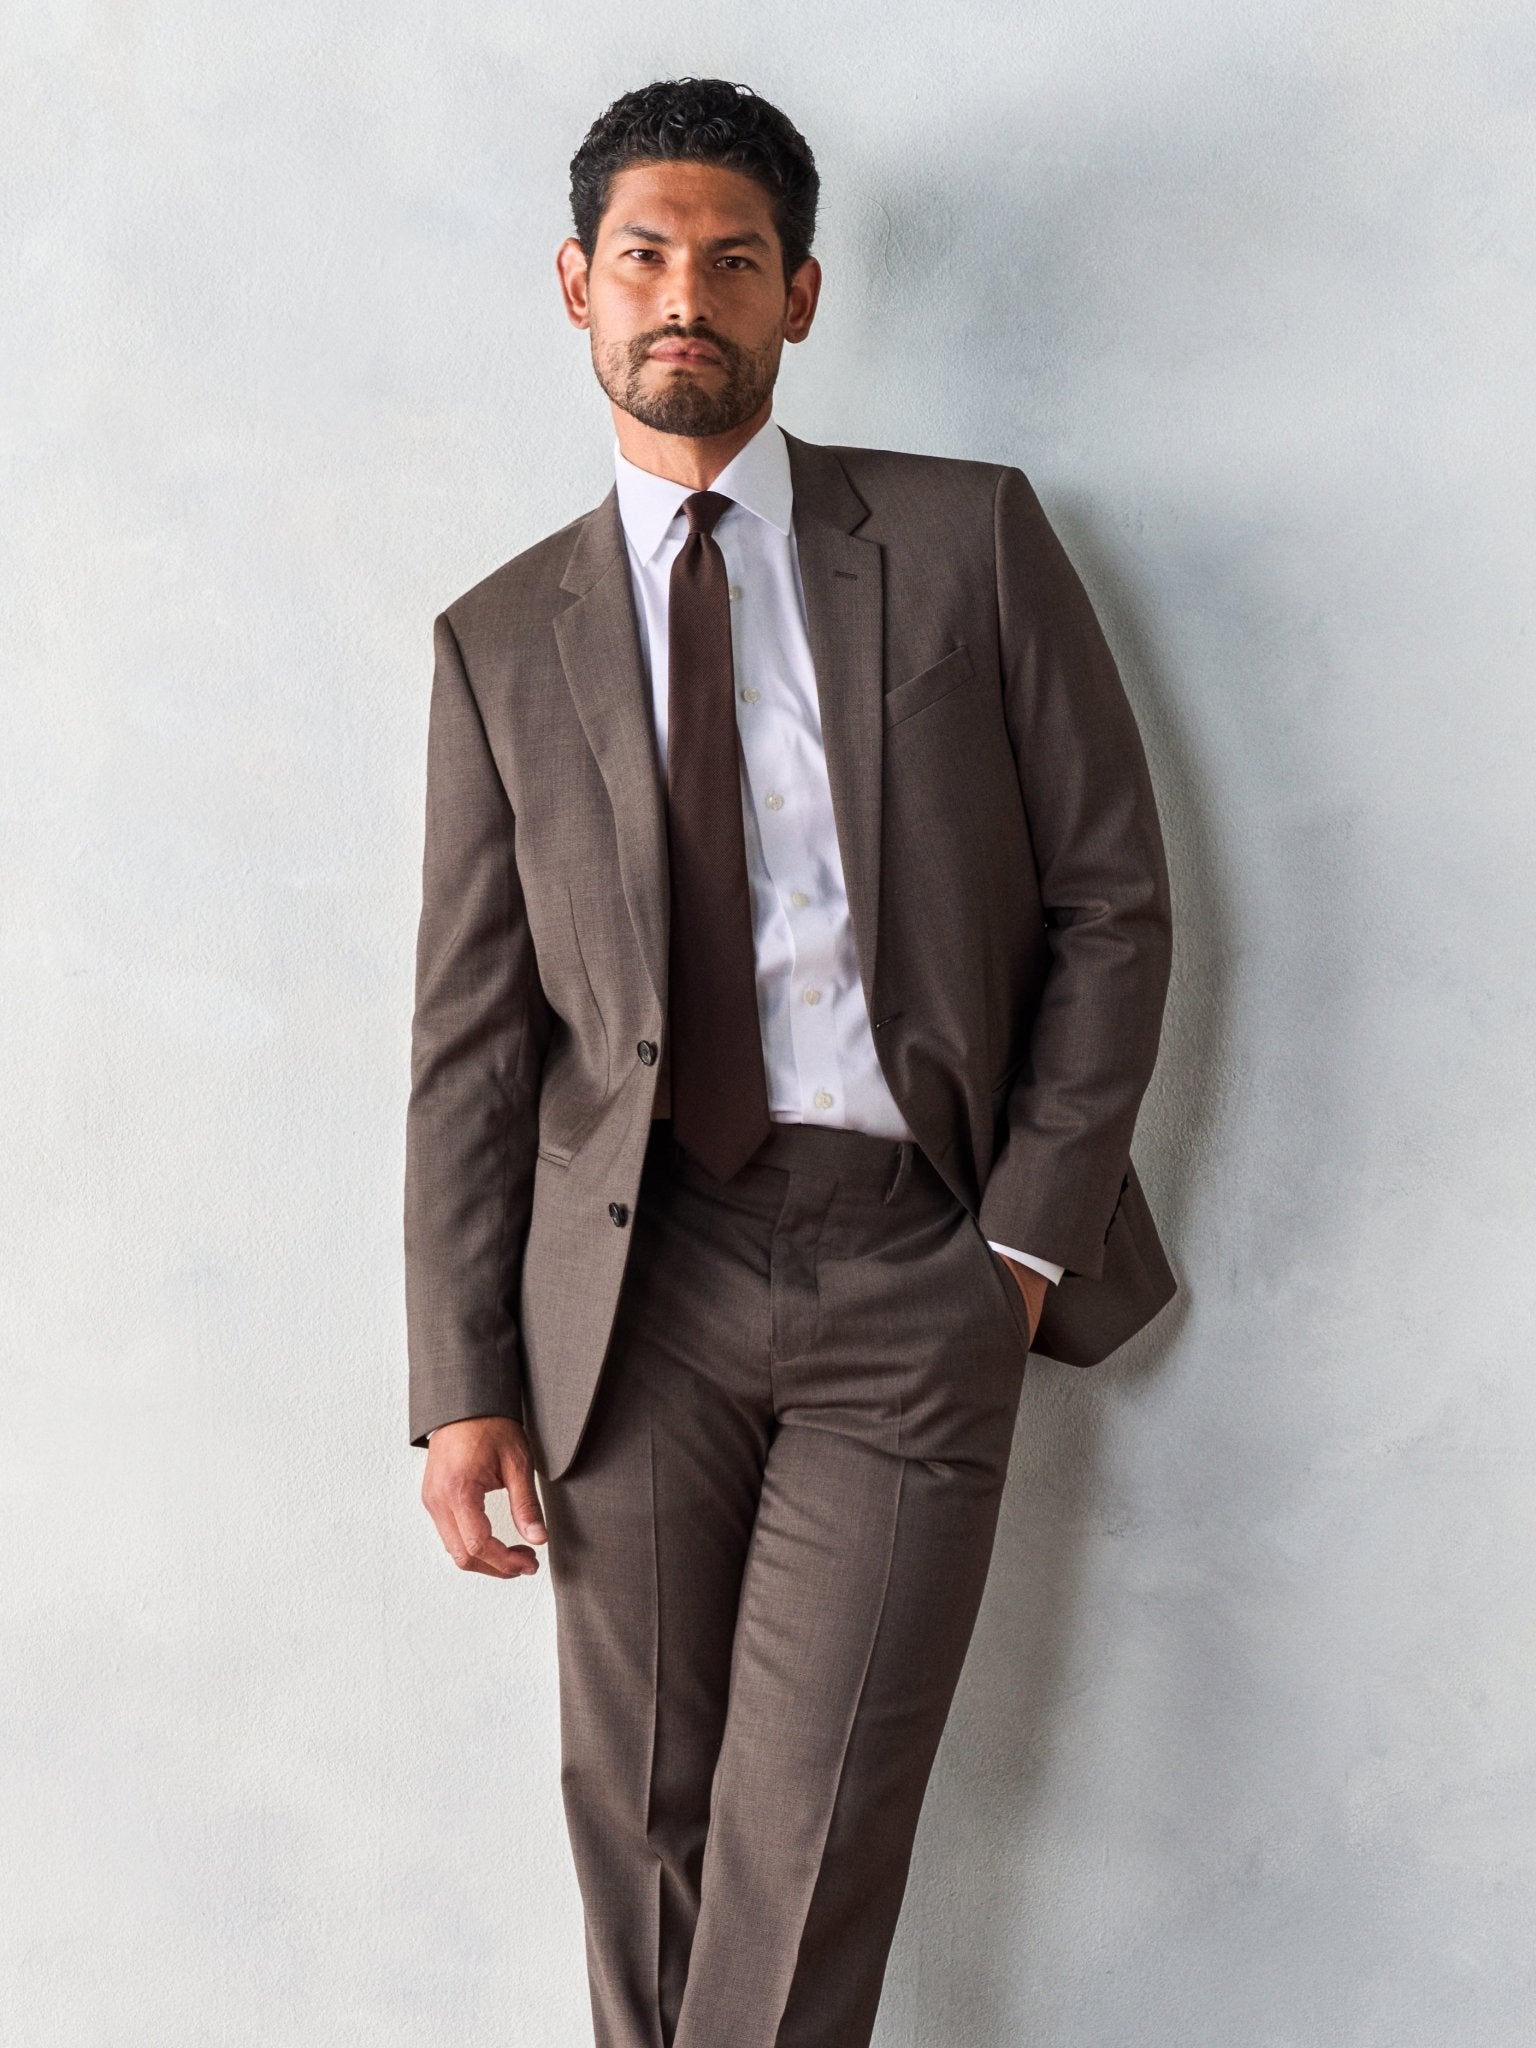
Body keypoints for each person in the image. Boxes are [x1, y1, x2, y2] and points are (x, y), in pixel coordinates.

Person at [404, 74, 1175, 2048]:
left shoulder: (967, 539)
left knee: (805, 1826)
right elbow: (474, 1047)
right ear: (576, 287)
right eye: (647, 256)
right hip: (633, 1289)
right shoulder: (503, 640)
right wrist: (462, 1381)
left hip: (915, 1267)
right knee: (643, 1822)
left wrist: (1017, 1244)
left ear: (801, 297)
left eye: (732, 262)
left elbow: (1112, 901)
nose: (688, 296)